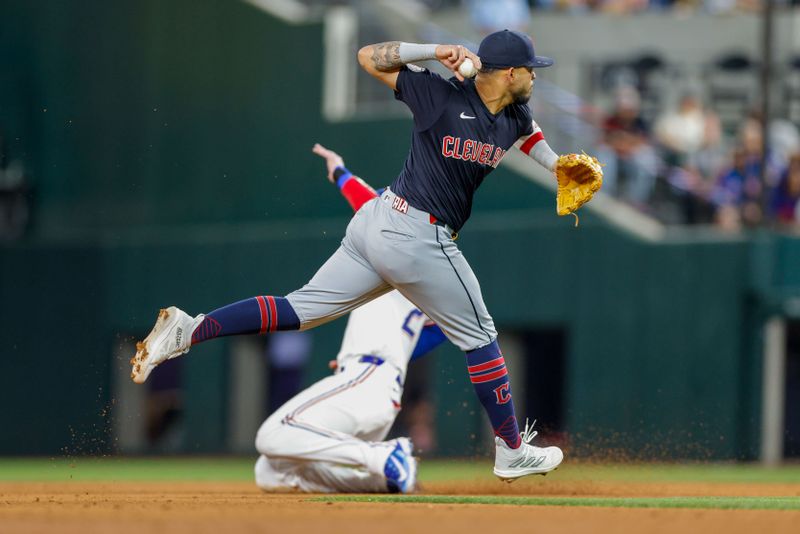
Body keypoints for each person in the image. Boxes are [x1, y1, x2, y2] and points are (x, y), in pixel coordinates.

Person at [131, 29, 570, 483]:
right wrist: (432, 52)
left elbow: (529, 135)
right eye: (532, 71)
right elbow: (367, 58)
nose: (536, 78)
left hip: (377, 224)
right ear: (512, 72)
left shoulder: (515, 113)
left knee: (299, 309)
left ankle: (191, 329)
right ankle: (511, 450)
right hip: (418, 233)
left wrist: (557, 165)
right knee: (481, 337)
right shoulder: (438, 94)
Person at [255, 144, 447, 493]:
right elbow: (442, 331)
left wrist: (339, 172)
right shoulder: (436, 263)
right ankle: (383, 478)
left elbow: (365, 200)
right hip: (375, 384)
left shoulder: (403, 239)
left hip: (368, 378)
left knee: (271, 433)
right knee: (270, 471)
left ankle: (383, 457)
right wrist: (393, 354)